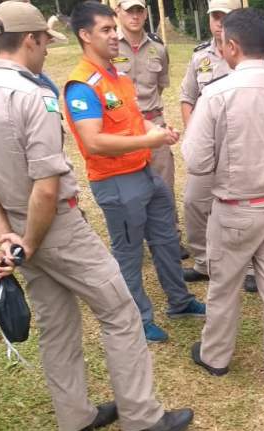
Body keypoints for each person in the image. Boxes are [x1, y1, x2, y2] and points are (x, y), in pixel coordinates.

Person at [0, 1, 193, 431]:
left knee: (56, 322)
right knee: (120, 311)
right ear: (30, 40)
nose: (46, 51)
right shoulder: (33, 96)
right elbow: (46, 187)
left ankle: (75, 418)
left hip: (17, 228)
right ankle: (141, 417)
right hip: (53, 226)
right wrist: (29, 238)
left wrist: (9, 238)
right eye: (44, 42)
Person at [182, 8, 264, 394]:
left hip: (234, 210)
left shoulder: (217, 94)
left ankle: (216, 356)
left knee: (224, 287)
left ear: (232, 47)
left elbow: (196, 161)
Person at [63, 1, 204, 343]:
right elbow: (94, 141)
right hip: (115, 181)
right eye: (106, 30)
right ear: (85, 35)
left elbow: (134, 116)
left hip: (143, 171)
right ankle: (138, 318)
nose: (115, 36)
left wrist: (157, 131)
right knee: (128, 252)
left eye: (114, 28)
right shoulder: (82, 85)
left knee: (167, 239)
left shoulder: (118, 76)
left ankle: (180, 300)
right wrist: (147, 138)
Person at [178, 0, 264, 293]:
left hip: (250, 151)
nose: (218, 22)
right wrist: (196, 133)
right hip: (210, 148)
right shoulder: (200, 58)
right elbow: (187, 97)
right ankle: (205, 261)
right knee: (195, 201)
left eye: (224, 16)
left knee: (247, 211)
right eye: (214, 17)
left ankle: (255, 267)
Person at [112, 0, 186, 258]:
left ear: (145, 12)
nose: (134, 15)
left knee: (163, 183)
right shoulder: (109, 46)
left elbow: (161, 85)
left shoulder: (157, 48)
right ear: (117, 11)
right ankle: (134, 242)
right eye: (128, 10)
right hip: (121, 128)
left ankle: (171, 239)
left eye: (139, 10)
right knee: (125, 188)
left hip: (153, 124)